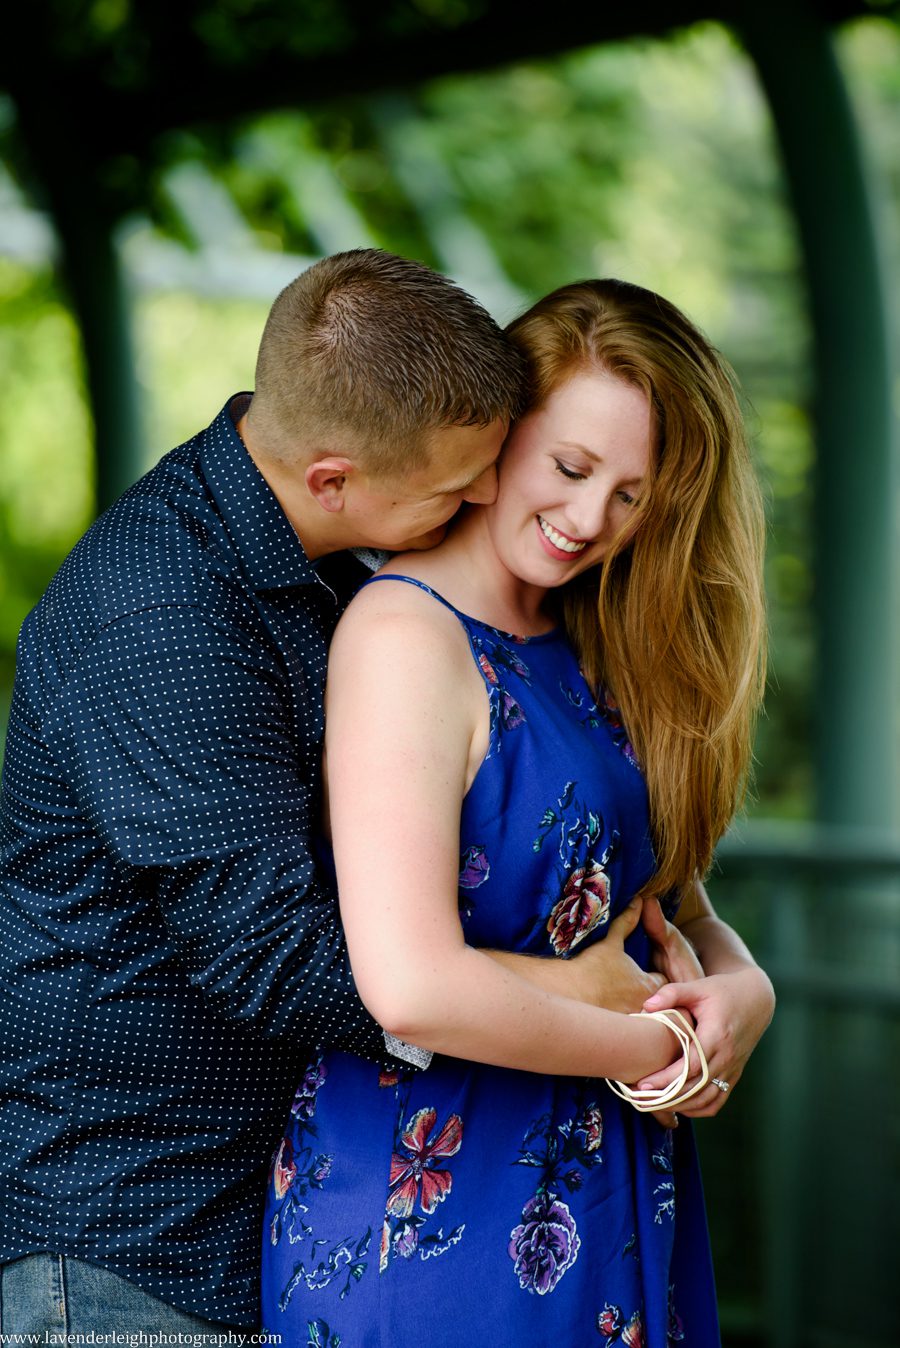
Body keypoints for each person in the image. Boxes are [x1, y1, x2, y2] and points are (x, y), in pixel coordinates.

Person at [2, 250, 644, 1339]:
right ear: (335, 475)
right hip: (129, 1250)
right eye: (459, 483)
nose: (489, 495)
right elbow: (269, 956)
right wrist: (575, 1000)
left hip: (259, 1217)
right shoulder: (163, 622)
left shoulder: (327, 552)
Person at [260, 278, 776, 1347]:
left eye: (633, 495)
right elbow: (407, 982)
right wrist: (639, 1052)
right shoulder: (406, 637)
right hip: (431, 1208)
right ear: (505, 431)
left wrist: (741, 985)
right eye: (573, 467)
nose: (591, 519)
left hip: (617, 1185)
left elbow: (667, 904)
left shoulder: (596, 633)